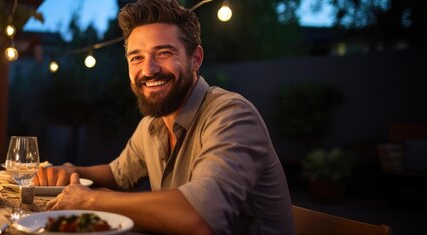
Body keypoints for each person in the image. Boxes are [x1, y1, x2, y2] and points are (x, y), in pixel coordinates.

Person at [34, 0, 295, 234]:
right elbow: (117, 174)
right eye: (137, 57)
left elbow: (201, 218)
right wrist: (71, 171)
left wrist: (90, 200)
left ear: (196, 59)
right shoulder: (152, 124)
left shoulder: (232, 116)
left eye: (164, 53)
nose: (148, 69)